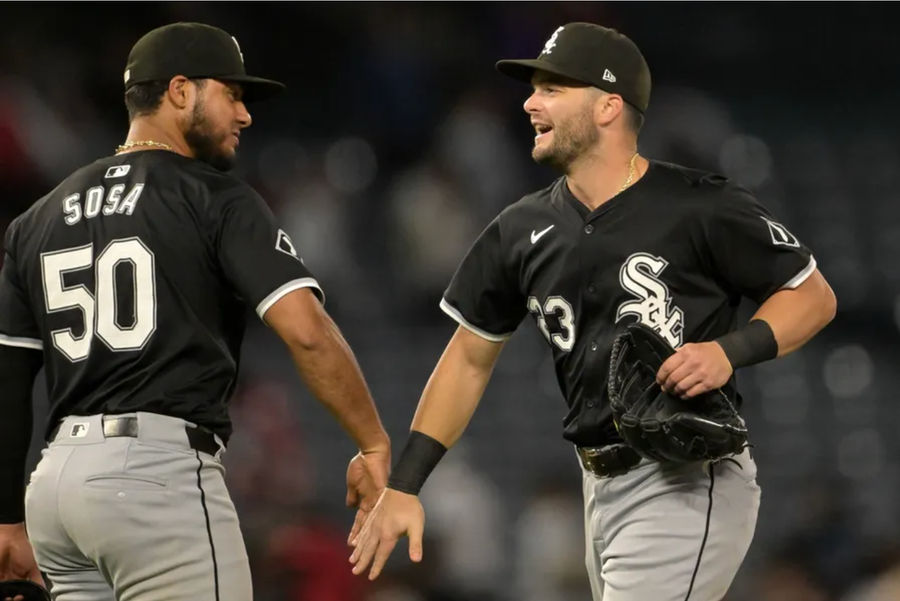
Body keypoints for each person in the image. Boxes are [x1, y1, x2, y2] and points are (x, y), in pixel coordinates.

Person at [349, 22, 837, 601]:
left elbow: (812, 297)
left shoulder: (700, 204)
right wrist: (405, 484)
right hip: (598, 486)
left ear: (608, 106)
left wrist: (729, 351)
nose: (530, 101)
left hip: (684, 477)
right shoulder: (519, 229)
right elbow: (468, 360)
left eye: (552, 88)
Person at [0, 22, 390, 600]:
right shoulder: (214, 196)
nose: (245, 115)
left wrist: (7, 520)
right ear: (180, 91)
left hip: (56, 487)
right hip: (155, 479)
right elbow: (307, 332)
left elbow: (7, 380)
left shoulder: (35, 220)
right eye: (231, 93)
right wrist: (373, 443)